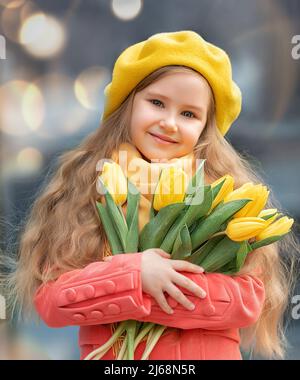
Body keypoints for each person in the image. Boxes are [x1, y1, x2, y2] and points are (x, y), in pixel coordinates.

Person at [5, 31, 299, 360]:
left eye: (189, 114)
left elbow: (245, 302)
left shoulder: (224, 193)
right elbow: (52, 300)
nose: (169, 122)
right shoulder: (94, 186)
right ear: (128, 105)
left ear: (205, 127)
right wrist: (135, 274)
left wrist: (136, 294)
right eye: (156, 103)